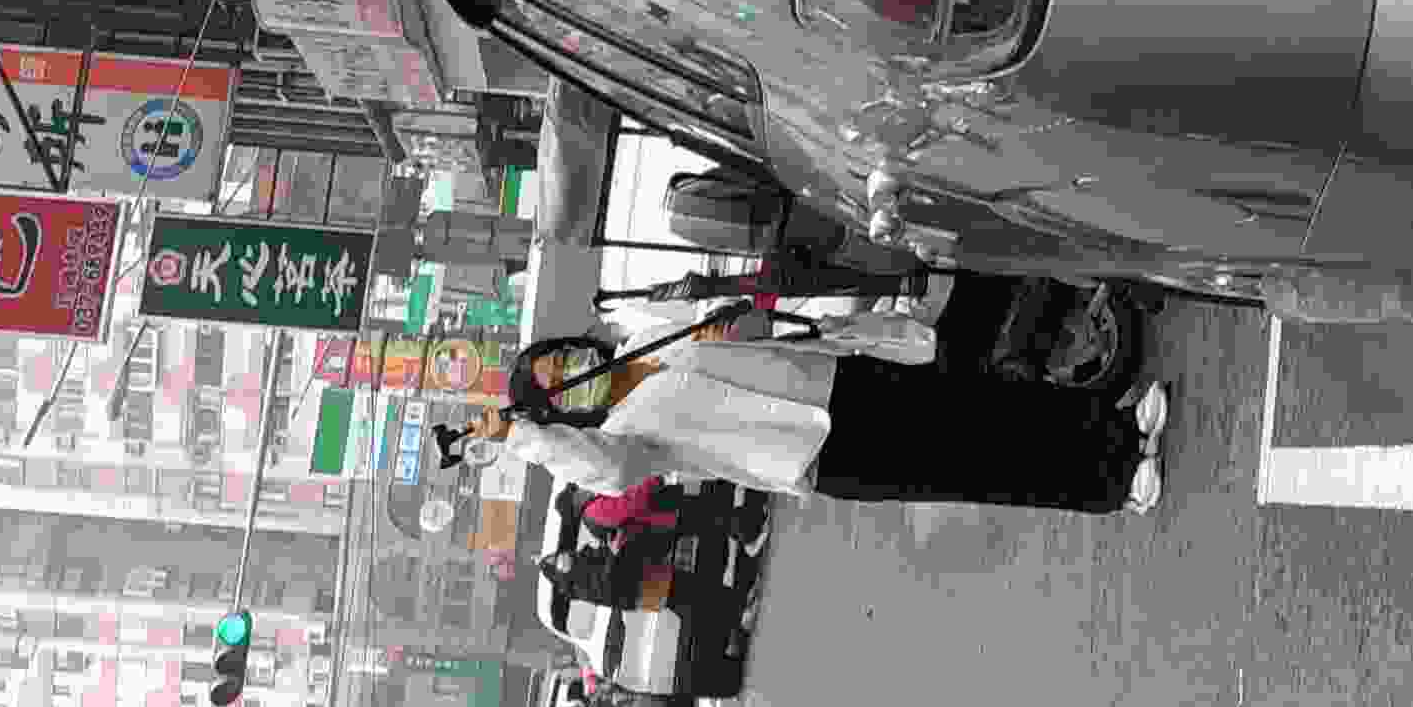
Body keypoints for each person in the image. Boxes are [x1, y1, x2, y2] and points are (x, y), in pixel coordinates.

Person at [482, 275, 1171, 515]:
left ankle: (1114, 423)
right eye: (560, 381)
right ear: (561, 414)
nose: (576, 365)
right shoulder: (623, 435)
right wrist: (522, 438)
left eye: (563, 354)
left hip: (840, 375)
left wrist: (735, 323)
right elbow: (606, 472)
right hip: (820, 454)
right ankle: (1111, 485)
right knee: (978, 468)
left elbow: (750, 330)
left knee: (986, 407)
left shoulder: (646, 337)